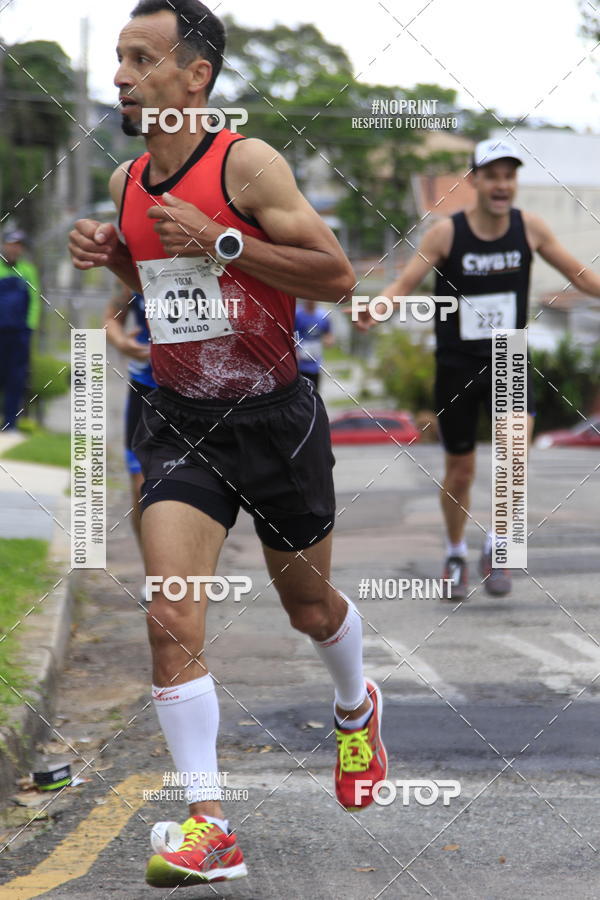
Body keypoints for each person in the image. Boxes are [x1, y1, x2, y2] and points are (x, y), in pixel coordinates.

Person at [69, 0, 386, 888]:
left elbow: (334, 274)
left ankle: (355, 707)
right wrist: (114, 256)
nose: (122, 75)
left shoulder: (246, 164)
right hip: (178, 422)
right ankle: (209, 825)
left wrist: (226, 237)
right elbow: (168, 288)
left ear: (194, 77)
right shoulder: (132, 181)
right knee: (171, 618)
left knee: (312, 613)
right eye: (122, 59)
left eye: (141, 58)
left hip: (277, 423)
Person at [357, 137, 600, 601]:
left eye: (509, 176)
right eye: (492, 176)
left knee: (513, 458)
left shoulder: (530, 229)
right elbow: (404, 283)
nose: (502, 184)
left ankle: (499, 545)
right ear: (475, 182)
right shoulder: (446, 234)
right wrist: (378, 308)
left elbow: (580, 275)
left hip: (508, 356)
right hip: (456, 363)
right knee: (461, 471)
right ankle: (453, 552)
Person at [104, 280, 157, 600]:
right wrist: (122, 343)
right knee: (141, 486)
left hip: (195, 391)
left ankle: (190, 568)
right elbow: (112, 315)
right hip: (146, 388)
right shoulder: (137, 268)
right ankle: (155, 573)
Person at [0, 229, 41, 430]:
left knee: (15, 379)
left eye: (18, 245)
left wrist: (29, 328)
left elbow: (35, 301)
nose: (14, 249)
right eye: (11, 244)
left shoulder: (28, 270)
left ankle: (10, 424)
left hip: (18, 335)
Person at [294, 299, 335, 391]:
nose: (311, 300)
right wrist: (294, 350)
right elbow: (290, 334)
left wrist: (328, 341)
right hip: (299, 364)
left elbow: (329, 334)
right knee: (301, 394)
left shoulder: (323, 316)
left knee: (314, 393)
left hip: (315, 364)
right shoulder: (297, 315)